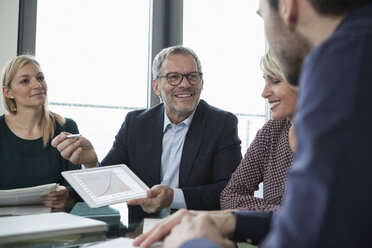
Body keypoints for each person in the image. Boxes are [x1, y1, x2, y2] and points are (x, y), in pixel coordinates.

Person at [134, 0, 372, 247]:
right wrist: (231, 221)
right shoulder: (280, 127)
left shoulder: (350, 67)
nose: (264, 93)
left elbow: (302, 234)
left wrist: (193, 243)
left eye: (262, 16)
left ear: (288, 7)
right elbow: (305, 220)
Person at [52, 45, 242, 213]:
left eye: (192, 76)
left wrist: (173, 197)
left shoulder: (222, 123)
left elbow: (229, 190)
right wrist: (92, 163)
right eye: (173, 77)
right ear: (156, 87)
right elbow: (108, 185)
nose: (185, 84)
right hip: (139, 229)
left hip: (195, 227)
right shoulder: (135, 123)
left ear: (201, 83)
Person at [0, 55, 81, 209]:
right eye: (25, 81)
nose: (37, 85)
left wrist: (68, 194)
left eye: (40, 78)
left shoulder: (66, 128)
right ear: (8, 92)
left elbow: (79, 186)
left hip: (55, 225)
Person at [220, 49, 297, 212]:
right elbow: (230, 196)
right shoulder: (272, 131)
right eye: (265, 81)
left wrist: (263, 215)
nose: (264, 93)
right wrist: (280, 214)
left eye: (275, 81)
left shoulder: (337, 138)